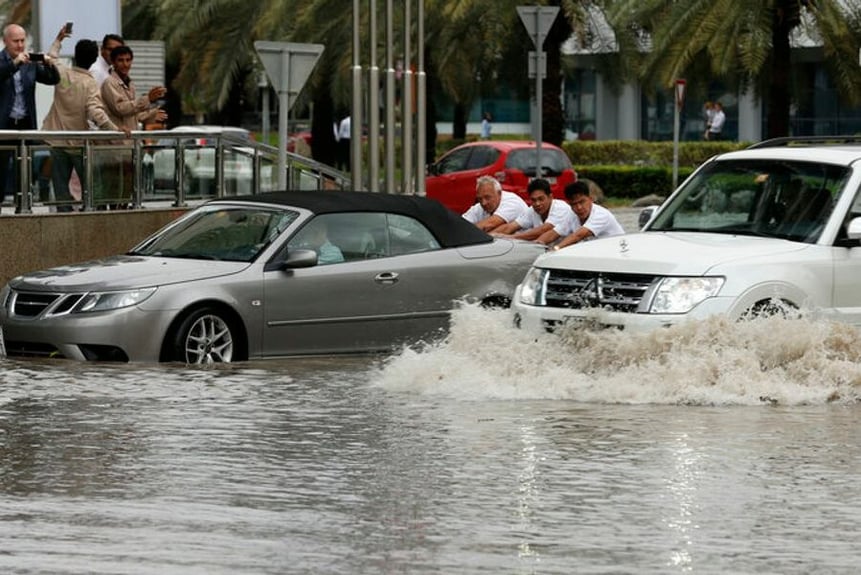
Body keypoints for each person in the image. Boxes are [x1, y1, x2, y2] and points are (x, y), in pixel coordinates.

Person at [42, 30, 128, 212]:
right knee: (91, 185)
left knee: (60, 186)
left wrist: (59, 39)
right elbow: (96, 112)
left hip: (57, 140)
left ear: (75, 55)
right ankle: (90, 215)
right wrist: (115, 129)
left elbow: (51, 56)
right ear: (93, 59)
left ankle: (64, 215)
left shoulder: (62, 74)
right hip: (79, 143)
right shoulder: (89, 84)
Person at [99, 44, 166, 209]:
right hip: (115, 146)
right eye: (120, 60)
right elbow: (120, 109)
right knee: (115, 186)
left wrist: (151, 114)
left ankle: (124, 208)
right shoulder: (110, 83)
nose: (125, 64)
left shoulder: (130, 84)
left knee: (129, 184)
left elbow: (133, 115)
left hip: (130, 145)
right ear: (113, 62)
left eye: (128, 60)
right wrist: (147, 99)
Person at [0, 23, 61, 202]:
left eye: (22, 41)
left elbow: (52, 80)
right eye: (15, 41)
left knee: (24, 169)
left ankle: (23, 205)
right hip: (4, 124)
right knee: (1, 170)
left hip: (25, 123)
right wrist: (14, 64)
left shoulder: (30, 64)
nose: (20, 45)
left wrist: (49, 64)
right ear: (5, 41)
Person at [492, 178, 572, 244]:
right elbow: (511, 226)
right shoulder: (532, 210)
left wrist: (511, 237)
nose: (537, 204)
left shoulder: (561, 208)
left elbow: (544, 229)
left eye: (541, 199)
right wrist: (490, 236)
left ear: (550, 197)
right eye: (533, 200)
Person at [552, 180, 625, 250]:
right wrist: (540, 243)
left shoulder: (601, 214)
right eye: (574, 204)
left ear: (591, 199)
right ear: (569, 204)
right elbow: (555, 232)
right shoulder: (571, 214)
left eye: (582, 202)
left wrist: (556, 249)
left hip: (617, 252)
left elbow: (578, 235)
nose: (579, 207)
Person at [462, 175, 528, 233]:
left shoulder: (512, 201)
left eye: (487, 197)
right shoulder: (478, 207)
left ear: (499, 193)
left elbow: (489, 224)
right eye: (479, 199)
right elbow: (461, 225)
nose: (483, 203)